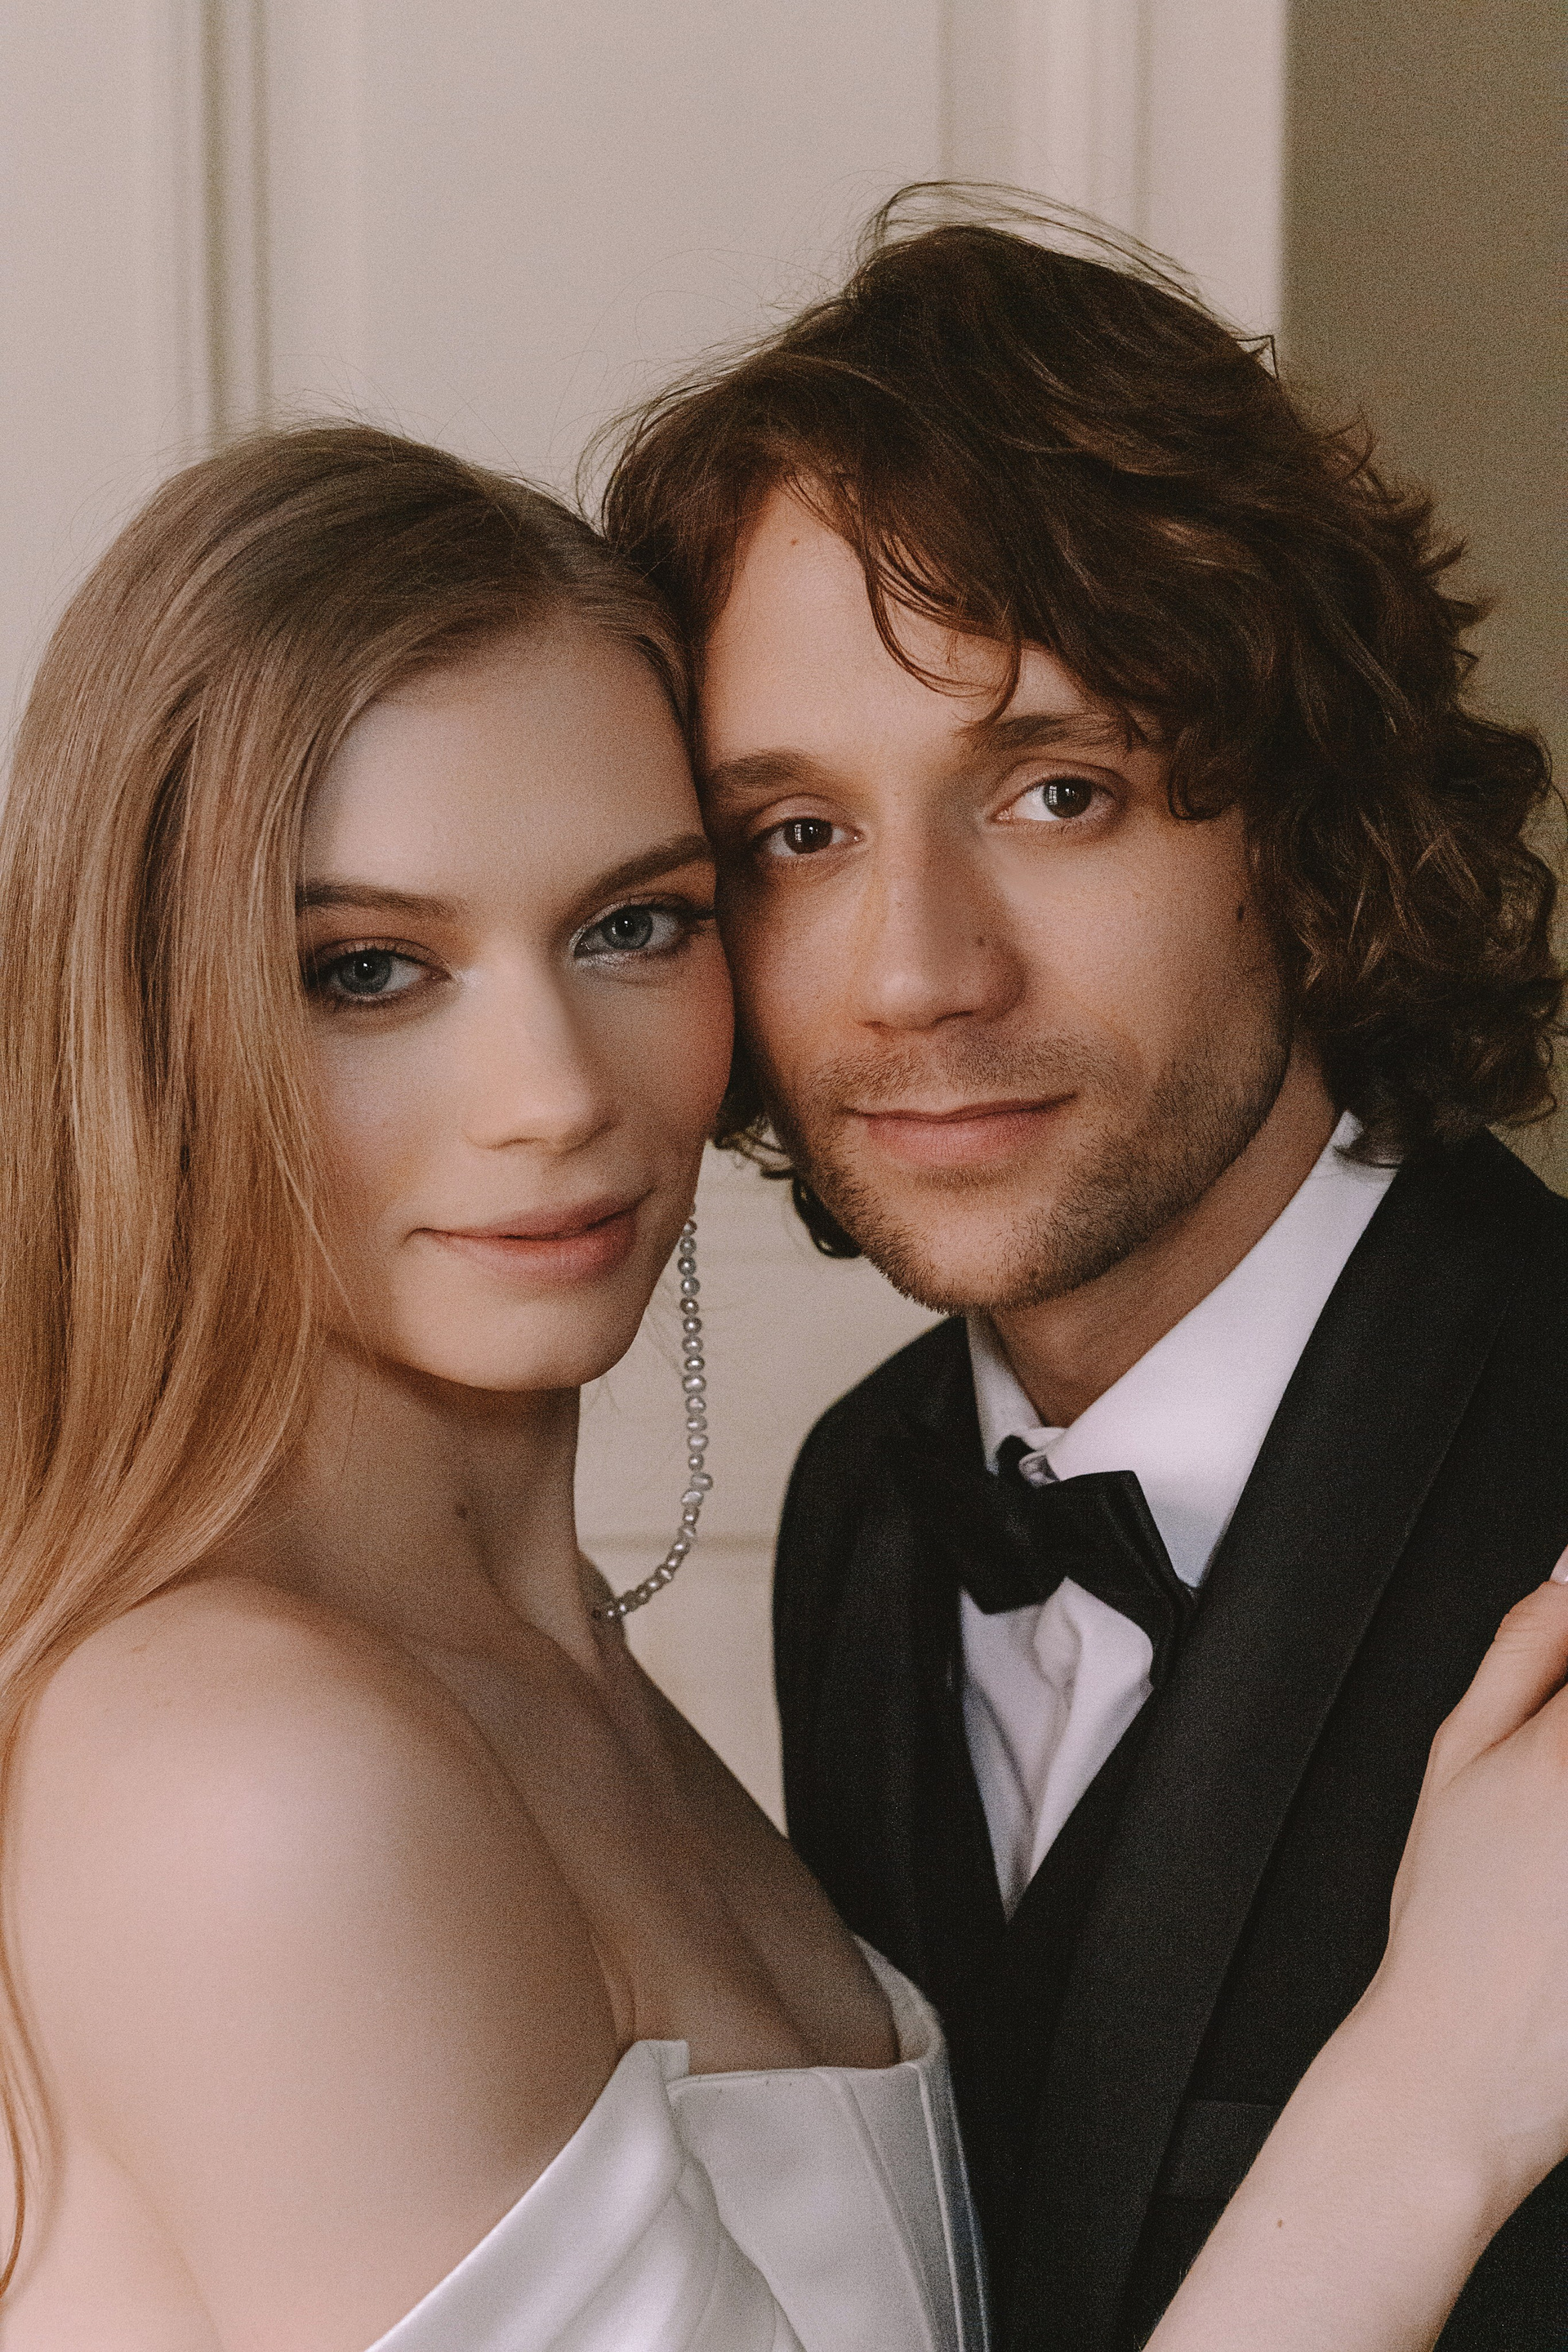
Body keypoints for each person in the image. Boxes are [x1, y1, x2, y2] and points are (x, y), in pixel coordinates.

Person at [0, 420, 1564, 2352]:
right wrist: (1430, 2103)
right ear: (143, 1030)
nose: (554, 1094)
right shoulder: (250, 1787)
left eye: (634, 925)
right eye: (367, 971)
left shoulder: (649, 1645)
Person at [602, 191, 1568, 2350]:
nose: (917, 976)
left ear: (1303, 826)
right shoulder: (868, 1505)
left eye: (1055, 792)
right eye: (798, 836)